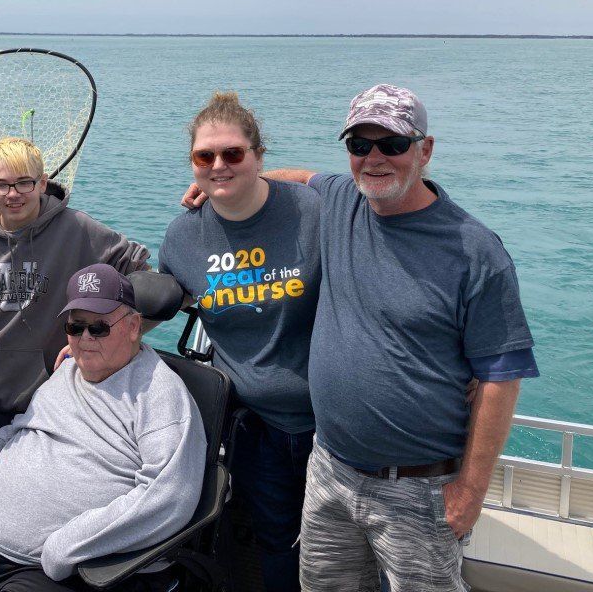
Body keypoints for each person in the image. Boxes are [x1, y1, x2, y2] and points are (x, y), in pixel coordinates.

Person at [186, 85, 538, 592]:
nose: (374, 158)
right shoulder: (341, 200)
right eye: (359, 144)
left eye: (392, 144)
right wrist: (230, 182)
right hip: (329, 468)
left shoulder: (475, 251)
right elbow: (302, 177)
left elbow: (500, 377)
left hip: (420, 487)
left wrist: (471, 491)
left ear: (425, 149)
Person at [0, 263, 206, 592]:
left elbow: (169, 496)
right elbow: (26, 425)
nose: (86, 339)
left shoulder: (160, 394)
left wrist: (67, 545)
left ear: (134, 326)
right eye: (76, 327)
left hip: (61, 565)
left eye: (99, 328)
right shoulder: (68, 370)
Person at [159, 91, 321, 592]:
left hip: (333, 425)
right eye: (205, 157)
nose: (219, 165)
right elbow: (159, 301)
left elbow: (360, 185)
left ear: (259, 155)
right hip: (255, 428)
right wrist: (86, 343)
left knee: (339, 547)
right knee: (275, 541)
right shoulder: (185, 237)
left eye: (233, 154)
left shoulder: (311, 213)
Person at [0, 136, 150, 462]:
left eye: (24, 183)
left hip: (42, 408)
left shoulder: (77, 228)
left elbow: (140, 274)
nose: (13, 194)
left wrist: (104, 334)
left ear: (43, 183)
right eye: (1, 185)